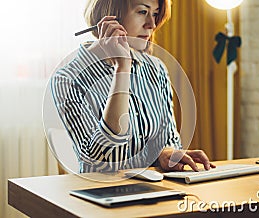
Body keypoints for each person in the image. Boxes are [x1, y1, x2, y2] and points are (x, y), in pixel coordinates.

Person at [52, 0, 216, 173]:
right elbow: (101, 161)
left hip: (155, 191)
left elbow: (167, 138)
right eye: (142, 12)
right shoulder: (67, 79)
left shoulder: (156, 69)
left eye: (154, 14)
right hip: (100, 192)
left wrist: (166, 153)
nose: (151, 24)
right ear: (111, 16)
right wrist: (122, 69)